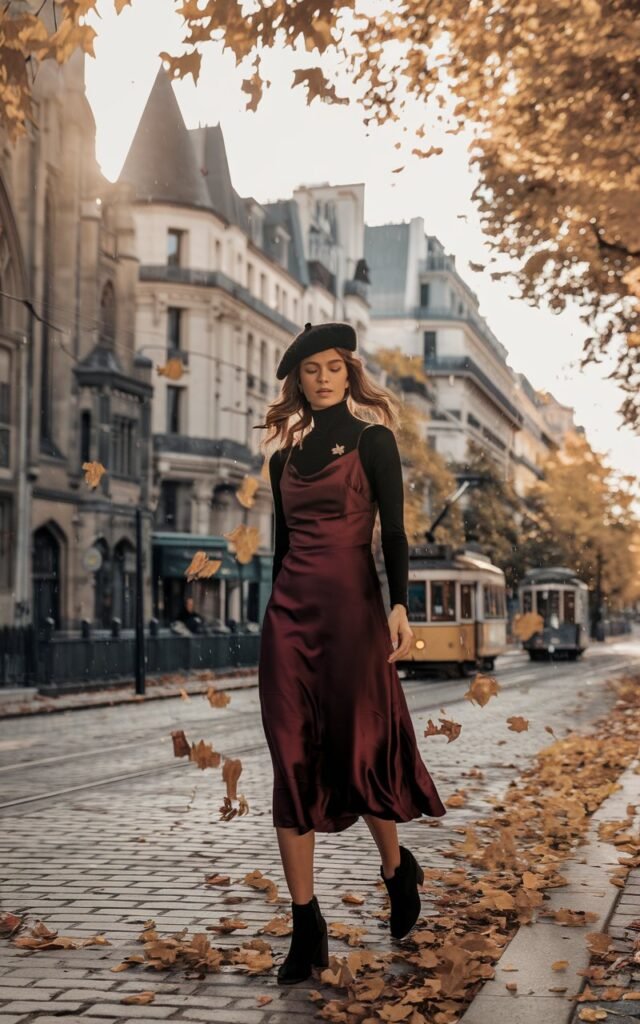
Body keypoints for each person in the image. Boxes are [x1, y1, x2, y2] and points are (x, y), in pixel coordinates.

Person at [257, 321, 446, 985]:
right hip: (289, 619)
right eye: (312, 369)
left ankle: (398, 868)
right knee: (292, 761)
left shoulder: (374, 440)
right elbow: (281, 550)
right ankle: (305, 925)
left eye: (334, 366)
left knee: (357, 752)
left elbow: (392, 530)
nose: (324, 377)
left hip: (356, 616)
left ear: (348, 371)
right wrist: (271, 619)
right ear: (299, 381)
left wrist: (399, 605)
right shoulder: (283, 459)